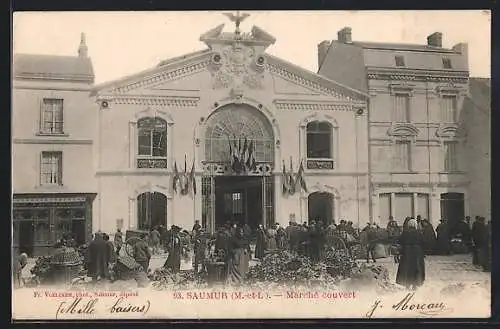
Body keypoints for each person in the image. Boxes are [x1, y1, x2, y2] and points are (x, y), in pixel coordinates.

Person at [395, 218, 426, 290]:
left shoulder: (405, 233)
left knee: (407, 268)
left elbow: (399, 241)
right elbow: (423, 242)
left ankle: (407, 284)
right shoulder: (419, 233)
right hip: (417, 252)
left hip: (407, 252)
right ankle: (415, 284)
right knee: (416, 268)